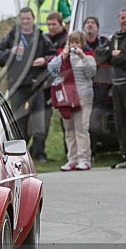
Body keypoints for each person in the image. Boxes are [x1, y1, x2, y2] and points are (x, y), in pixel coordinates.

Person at [0, 7, 56, 161]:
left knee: (39, 121)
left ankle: (39, 153)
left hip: (37, 86)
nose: (26, 22)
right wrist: (12, 52)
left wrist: (45, 60)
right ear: (19, 20)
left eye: (28, 19)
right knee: (18, 121)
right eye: (23, 19)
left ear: (33, 19)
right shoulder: (11, 37)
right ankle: (19, 155)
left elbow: (54, 56)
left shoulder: (41, 37)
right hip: (17, 86)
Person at [95, 9, 126, 168]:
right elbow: (99, 55)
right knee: (120, 120)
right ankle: (125, 153)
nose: (125, 20)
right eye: (122, 18)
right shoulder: (114, 38)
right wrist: (113, 53)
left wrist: (117, 55)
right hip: (116, 85)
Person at [48, 31, 96, 171]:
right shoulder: (62, 58)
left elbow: (92, 73)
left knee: (81, 128)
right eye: (71, 43)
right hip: (66, 98)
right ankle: (72, 159)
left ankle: (84, 159)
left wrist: (82, 56)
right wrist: (62, 57)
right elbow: (51, 70)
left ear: (82, 44)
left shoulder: (88, 57)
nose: (74, 46)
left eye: (77, 43)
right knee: (69, 130)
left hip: (83, 97)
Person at [83, 16, 111, 156]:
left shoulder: (105, 42)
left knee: (96, 116)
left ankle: (96, 148)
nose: (90, 25)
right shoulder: (80, 44)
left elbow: (104, 57)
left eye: (93, 23)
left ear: (98, 28)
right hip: (84, 86)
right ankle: (89, 151)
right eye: (87, 23)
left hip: (102, 85)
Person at [42, 12, 69, 156]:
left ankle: (68, 151)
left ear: (61, 24)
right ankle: (39, 150)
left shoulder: (66, 39)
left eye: (54, 24)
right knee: (45, 117)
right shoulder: (44, 39)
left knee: (66, 116)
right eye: (49, 24)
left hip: (64, 83)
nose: (51, 27)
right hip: (47, 84)